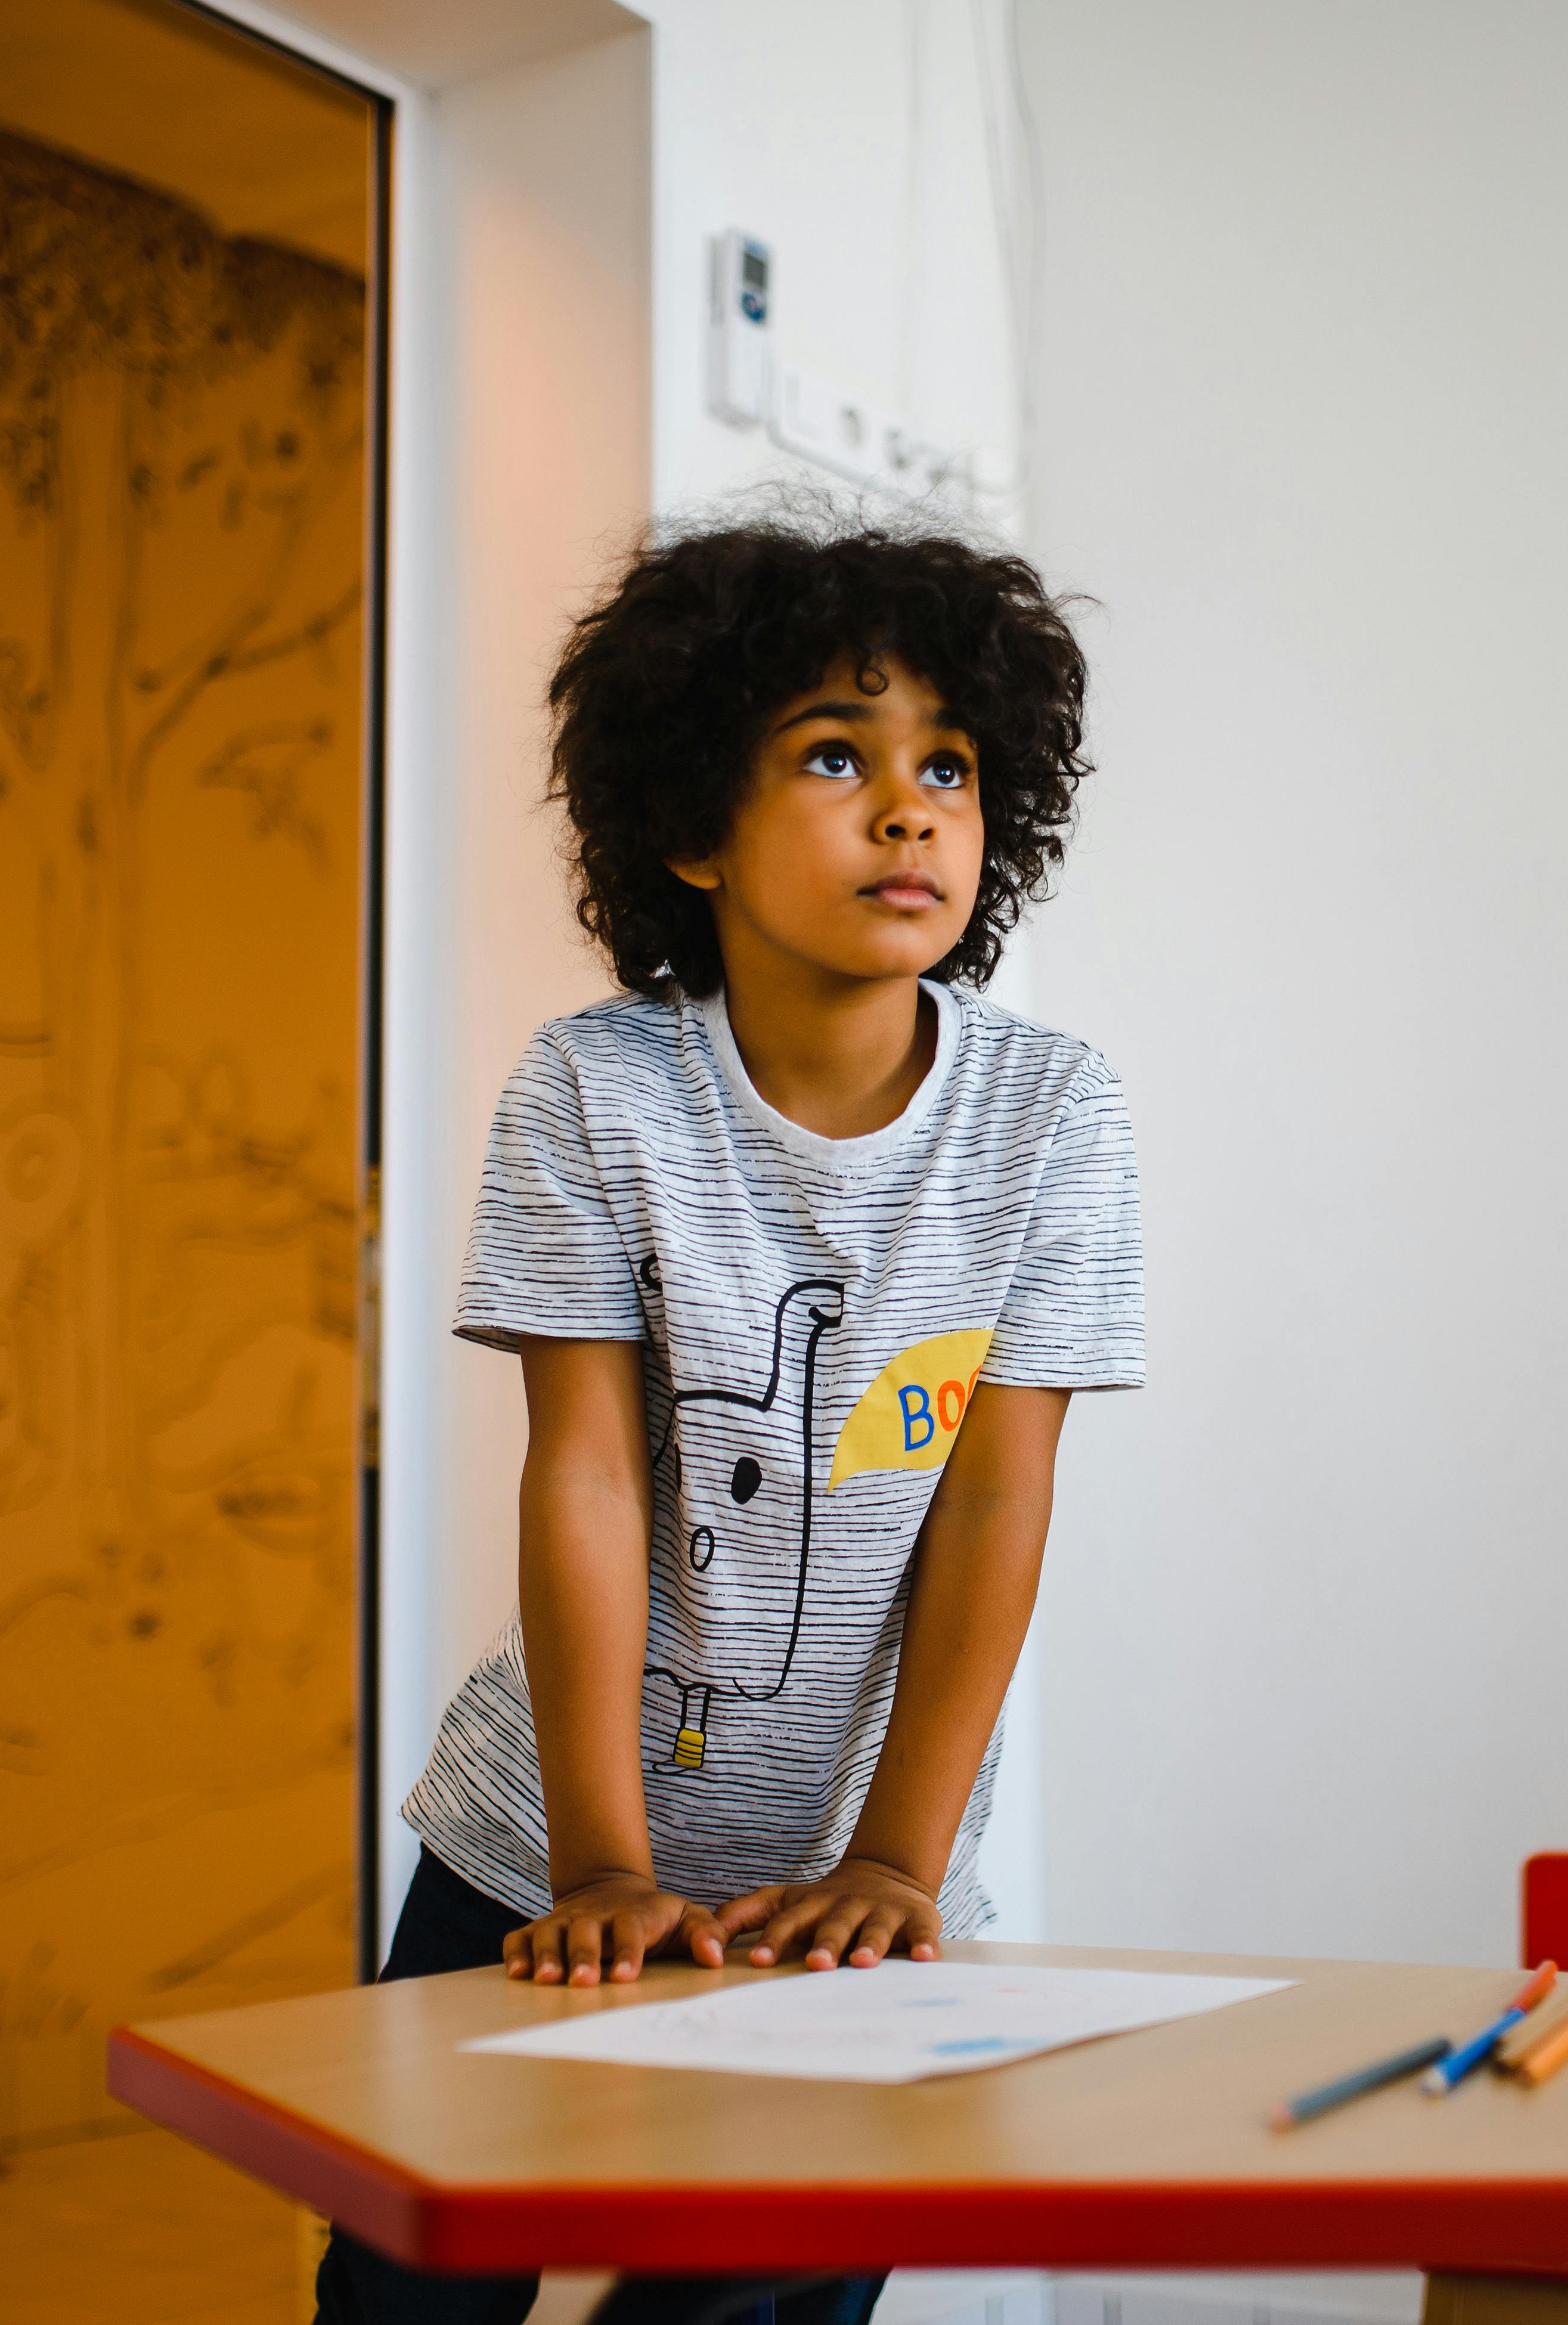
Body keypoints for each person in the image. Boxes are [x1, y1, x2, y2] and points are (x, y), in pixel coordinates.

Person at [314, 510, 1143, 2325]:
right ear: (690, 822)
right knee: (406, 2288)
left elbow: (997, 1504)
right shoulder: (595, 1092)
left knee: (754, 2302)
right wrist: (599, 1858)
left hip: (852, 1869)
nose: (910, 806)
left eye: (951, 763)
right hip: (534, 1838)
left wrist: (898, 1861)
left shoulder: (1049, 1119)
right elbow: (591, 1477)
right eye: (836, 754)